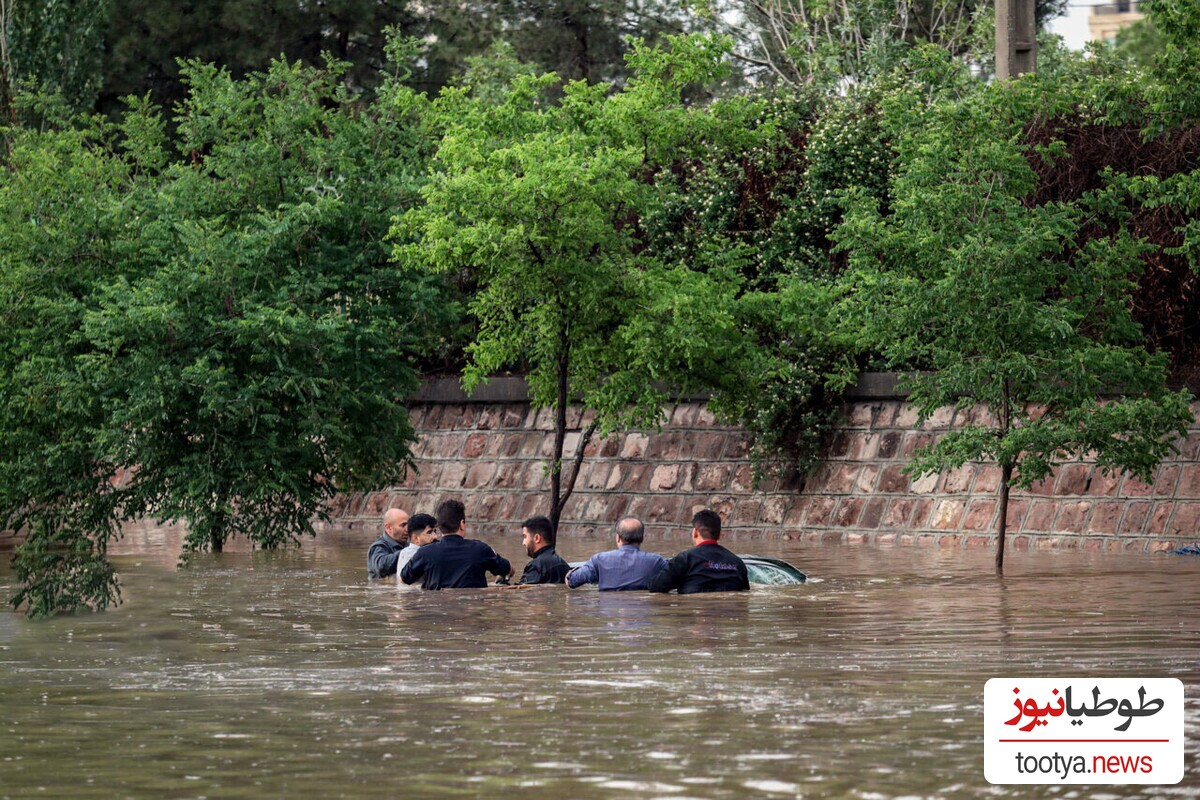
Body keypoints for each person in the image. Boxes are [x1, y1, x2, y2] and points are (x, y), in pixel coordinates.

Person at [400, 499, 513, 589]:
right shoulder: (481, 549)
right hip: (471, 613)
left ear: (439, 527)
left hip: (436, 612)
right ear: (462, 524)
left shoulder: (424, 552)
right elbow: (508, 569)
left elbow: (404, 579)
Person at [647, 509, 750, 594]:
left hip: (694, 612)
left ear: (695, 532)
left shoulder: (685, 559)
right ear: (719, 535)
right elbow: (745, 592)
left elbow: (656, 587)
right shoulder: (737, 563)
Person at [566, 516, 667, 591]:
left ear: (618, 538)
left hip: (610, 613)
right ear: (642, 538)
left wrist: (569, 574)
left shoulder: (600, 560)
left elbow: (572, 581)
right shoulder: (656, 562)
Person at [517, 515, 570, 585]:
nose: (523, 543)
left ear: (537, 538)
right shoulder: (563, 564)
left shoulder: (536, 566)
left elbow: (522, 591)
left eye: (525, 537)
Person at [368, 507, 409, 578]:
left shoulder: (408, 545)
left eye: (409, 525)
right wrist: (408, 552)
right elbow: (381, 567)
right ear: (389, 528)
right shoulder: (378, 546)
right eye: (403, 525)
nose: (407, 529)